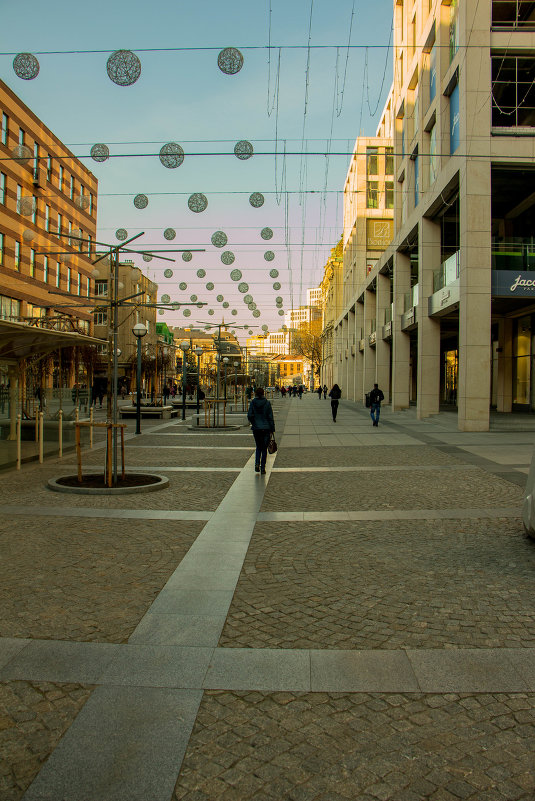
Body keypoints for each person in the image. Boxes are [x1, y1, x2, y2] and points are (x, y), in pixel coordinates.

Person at [247, 387, 275, 475]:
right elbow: (270, 417)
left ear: (255, 393)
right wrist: (272, 429)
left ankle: (256, 464)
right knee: (264, 448)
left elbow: (249, 415)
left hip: (256, 428)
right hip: (266, 428)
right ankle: (263, 468)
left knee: (258, 446)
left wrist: (253, 422)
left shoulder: (253, 402)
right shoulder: (267, 403)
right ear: (263, 393)